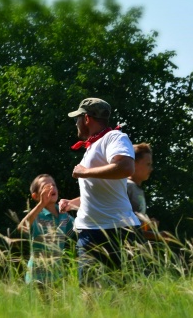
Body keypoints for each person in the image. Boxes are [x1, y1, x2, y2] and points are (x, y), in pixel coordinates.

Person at [59, 98, 140, 284]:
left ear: (86, 118)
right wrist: (72, 203)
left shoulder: (114, 138)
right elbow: (101, 190)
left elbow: (126, 167)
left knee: (125, 295)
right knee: (89, 295)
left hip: (118, 230)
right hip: (89, 232)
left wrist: (85, 172)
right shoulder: (92, 147)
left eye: (76, 119)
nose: (76, 124)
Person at [17, 174, 74, 284]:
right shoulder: (36, 215)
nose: (52, 188)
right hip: (36, 276)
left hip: (57, 276)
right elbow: (22, 228)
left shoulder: (64, 215)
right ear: (36, 196)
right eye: (46, 187)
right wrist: (41, 204)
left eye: (54, 185)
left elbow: (80, 228)